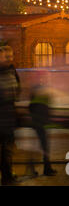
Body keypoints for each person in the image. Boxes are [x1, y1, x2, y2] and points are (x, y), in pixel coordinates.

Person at [28, 71, 57, 176]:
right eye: (46, 77)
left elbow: (32, 106)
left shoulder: (41, 89)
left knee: (41, 146)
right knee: (43, 146)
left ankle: (40, 168)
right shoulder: (39, 89)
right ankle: (45, 169)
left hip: (41, 121)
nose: (47, 78)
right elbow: (35, 106)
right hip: (40, 121)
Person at [0, 47, 20, 185]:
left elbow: (18, 89)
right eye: (6, 56)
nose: (9, 59)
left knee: (7, 149)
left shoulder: (12, 71)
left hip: (8, 116)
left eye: (10, 56)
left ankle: (7, 175)